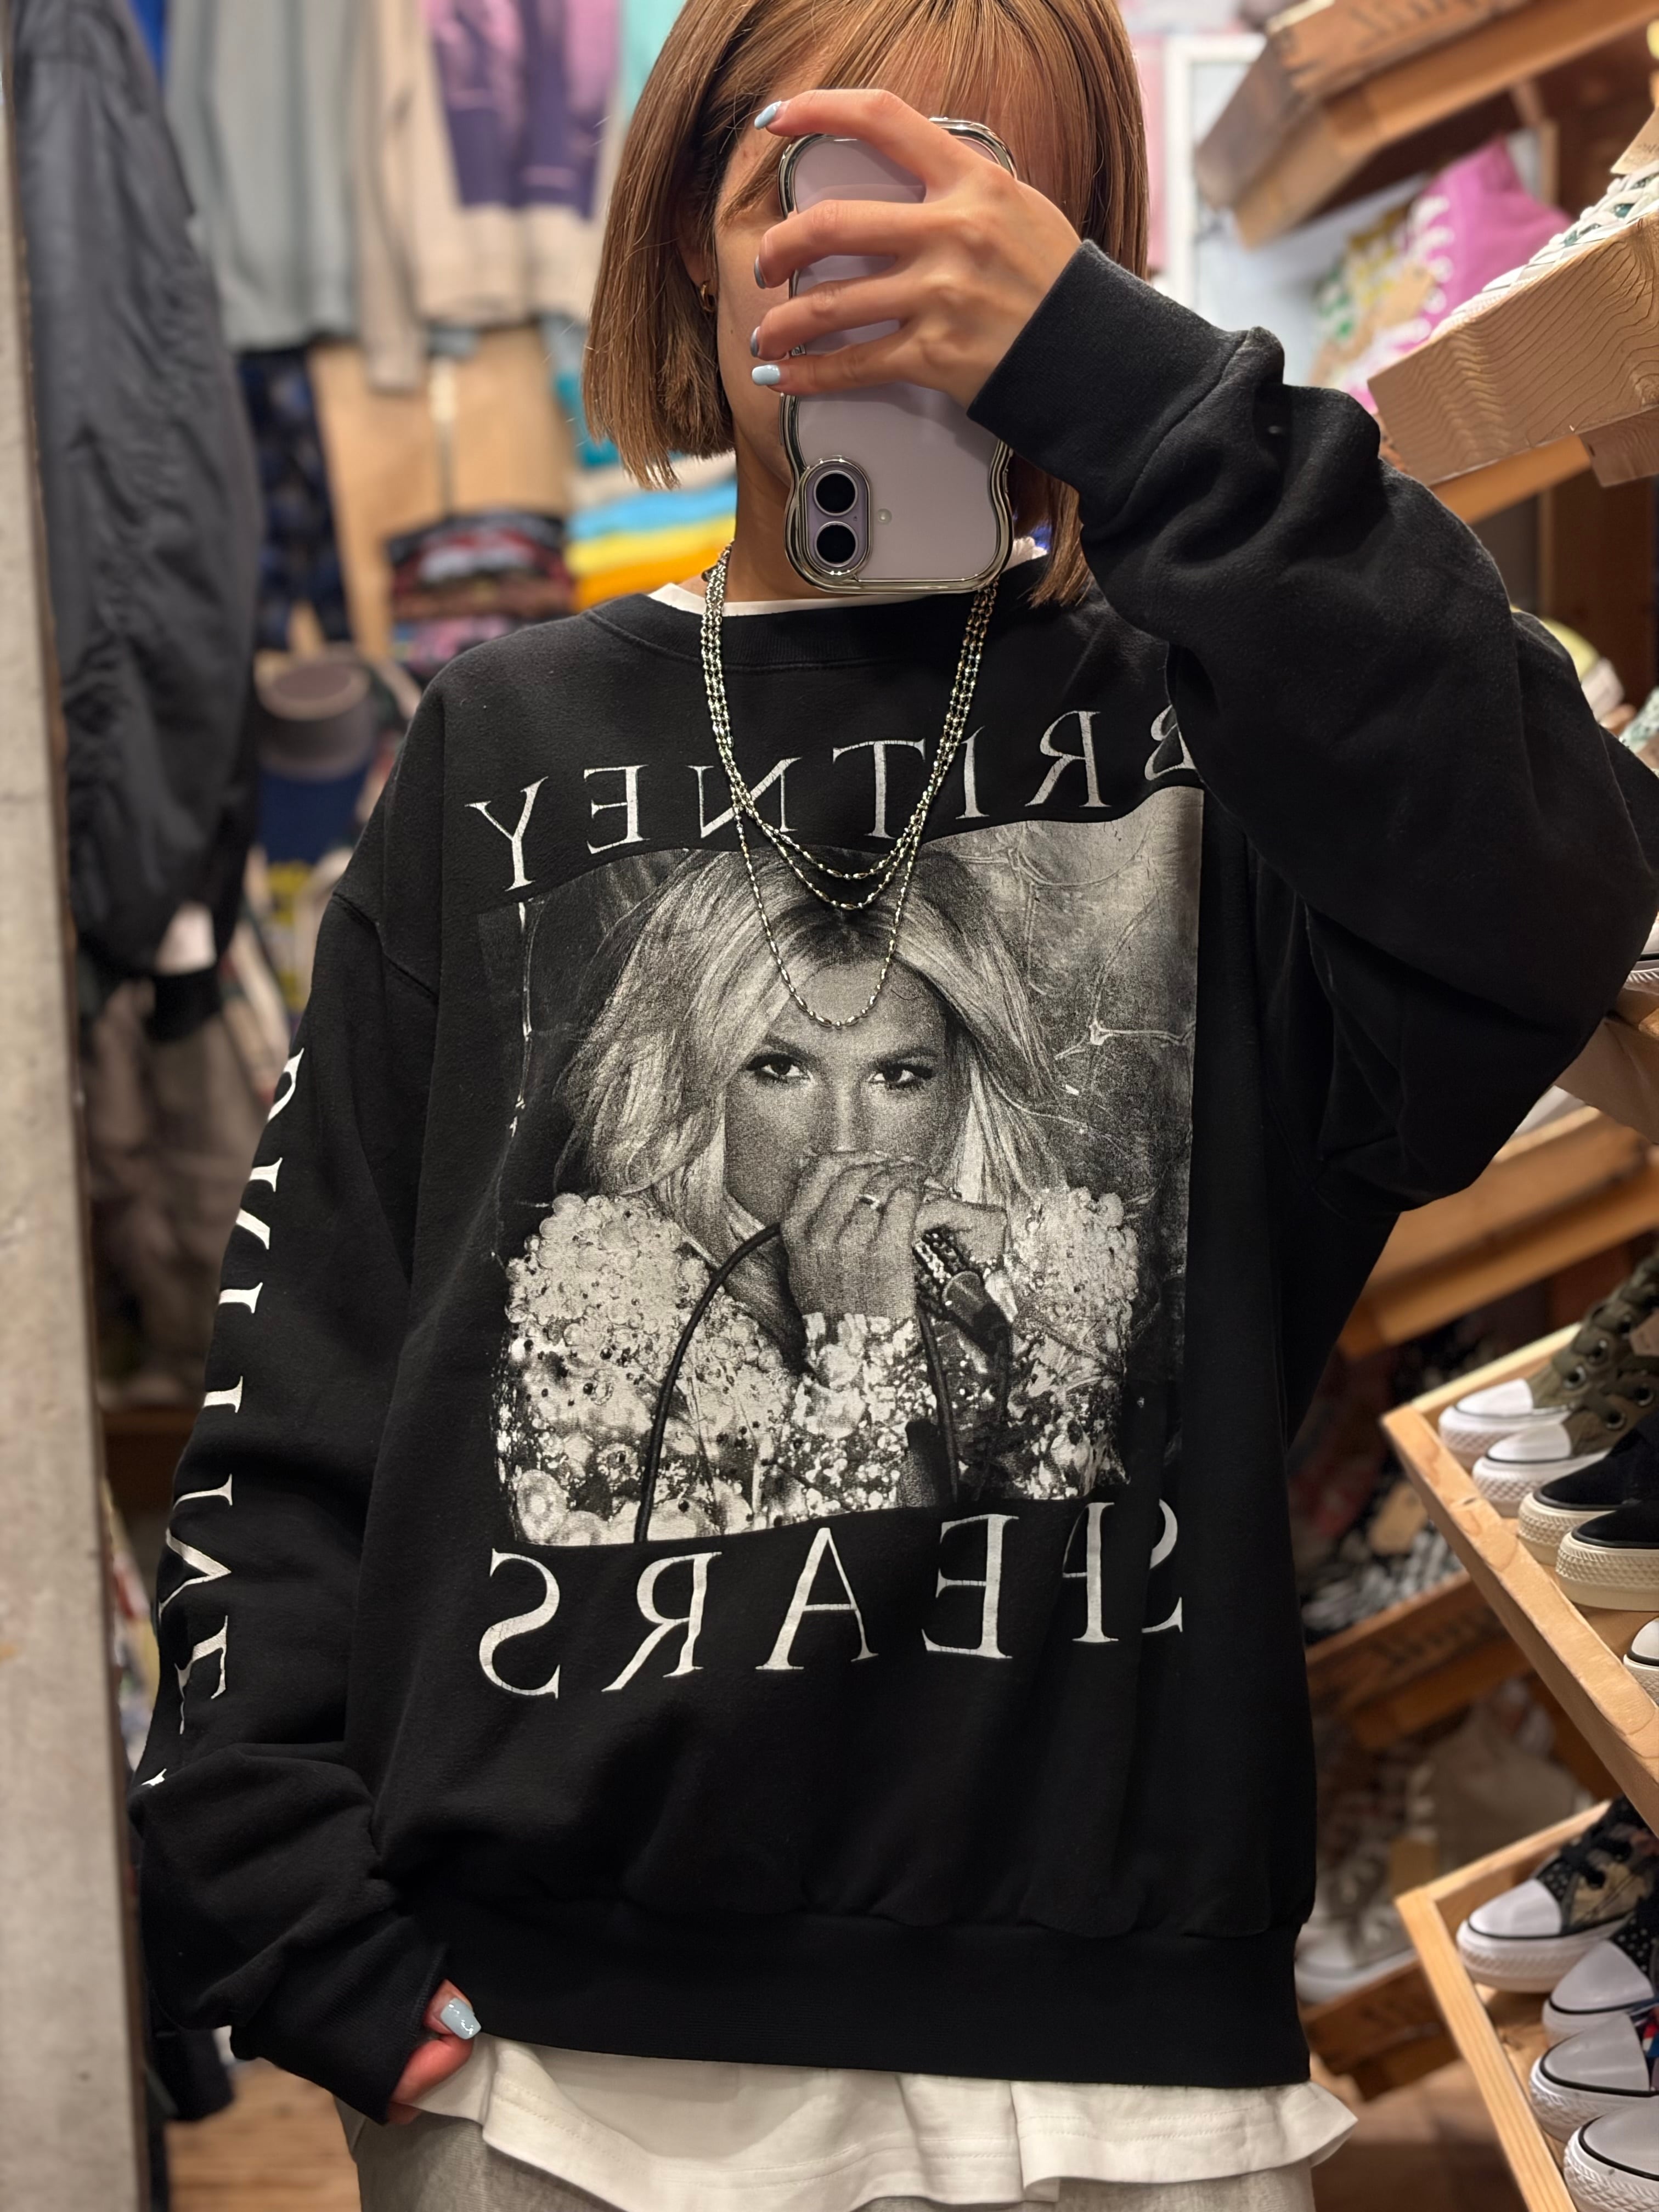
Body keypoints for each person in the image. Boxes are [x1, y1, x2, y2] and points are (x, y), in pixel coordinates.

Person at [133, 1, 1659, 2209]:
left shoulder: (1223, 739)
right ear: (688, 238)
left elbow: (1562, 892)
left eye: (975, 191)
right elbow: (311, 1366)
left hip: (1125, 2081)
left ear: (1075, 249)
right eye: (809, 187)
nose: (882, 258)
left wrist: (1128, 395)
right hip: (542, 2072)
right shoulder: (504, 744)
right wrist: (296, 1910)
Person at [498, 844, 1135, 1544]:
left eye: (897, 1077)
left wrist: (1004, 1321)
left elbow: (1052, 1583)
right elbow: (779, 1609)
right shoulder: (600, 1310)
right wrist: (857, 1342)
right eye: (780, 1068)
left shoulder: (1053, 1283)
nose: (842, 1139)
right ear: (695, 1081)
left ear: (962, 1089)